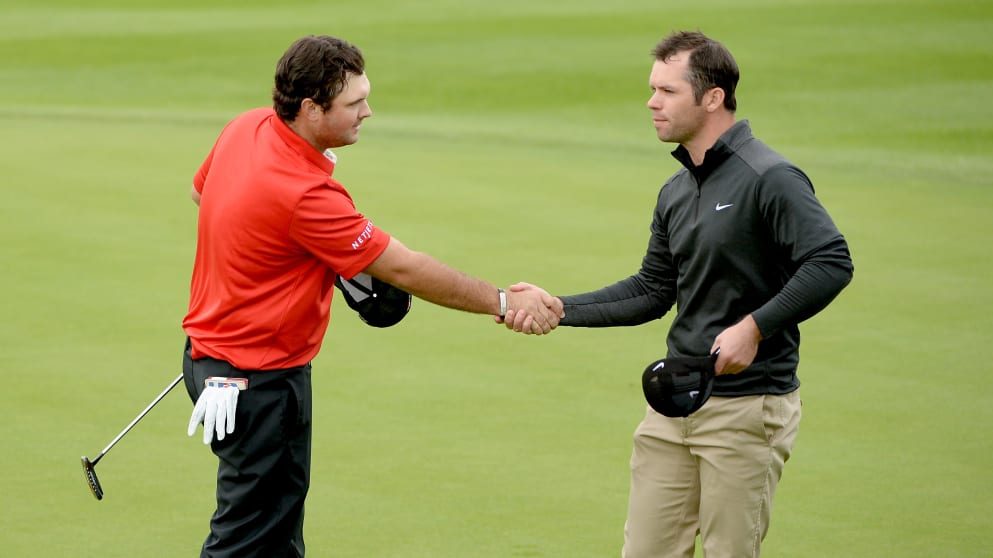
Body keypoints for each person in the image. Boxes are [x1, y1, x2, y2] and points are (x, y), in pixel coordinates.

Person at [181, 34, 563, 557]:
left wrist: (273, 264)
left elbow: (203, 193)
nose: (369, 112)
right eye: (355, 103)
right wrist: (503, 301)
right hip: (260, 386)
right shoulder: (307, 195)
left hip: (211, 361)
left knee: (276, 537)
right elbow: (404, 268)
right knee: (247, 543)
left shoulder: (247, 125)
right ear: (312, 109)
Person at [504, 31, 853, 558]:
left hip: (747, 409)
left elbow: (831, 261)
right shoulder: (677, 189)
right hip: (673, 407)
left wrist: (754, 327)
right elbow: (651, 290)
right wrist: (561, 308)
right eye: (652, 89)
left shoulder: (770, 177)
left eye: (666, 91)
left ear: (712, 97)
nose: (651, 102)